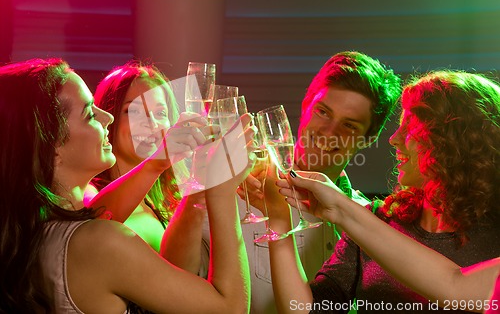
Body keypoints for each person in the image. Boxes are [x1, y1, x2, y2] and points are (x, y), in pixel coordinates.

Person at [0, 58, 253, 313]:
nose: (107, 116)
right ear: (51, 145)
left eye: (161, 112)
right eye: (90, 113)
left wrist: (181, 176)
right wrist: (222, 191)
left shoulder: (36, 230)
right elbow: (231, 308)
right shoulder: (101, 241)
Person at [269, 70, 500, 313]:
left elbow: (455, 284)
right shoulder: (379, 220)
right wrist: (277, 216)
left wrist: (340, 207)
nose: (393, 139)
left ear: (452, 143)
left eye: (410, 127)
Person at [234, 51, 402, 313]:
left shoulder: (371, 225)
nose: (329, 132)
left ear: (368, 139)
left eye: (349, 125)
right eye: (323, 112)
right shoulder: (244, 192)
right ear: (306, 105)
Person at [85, 62, 210, 273]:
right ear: (107, 118)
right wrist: (157, 163)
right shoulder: (89, 191)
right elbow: (89, 229)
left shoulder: (169, 199)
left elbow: (184, 277)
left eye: (160, 113)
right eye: (133, 111)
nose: (151, 122)